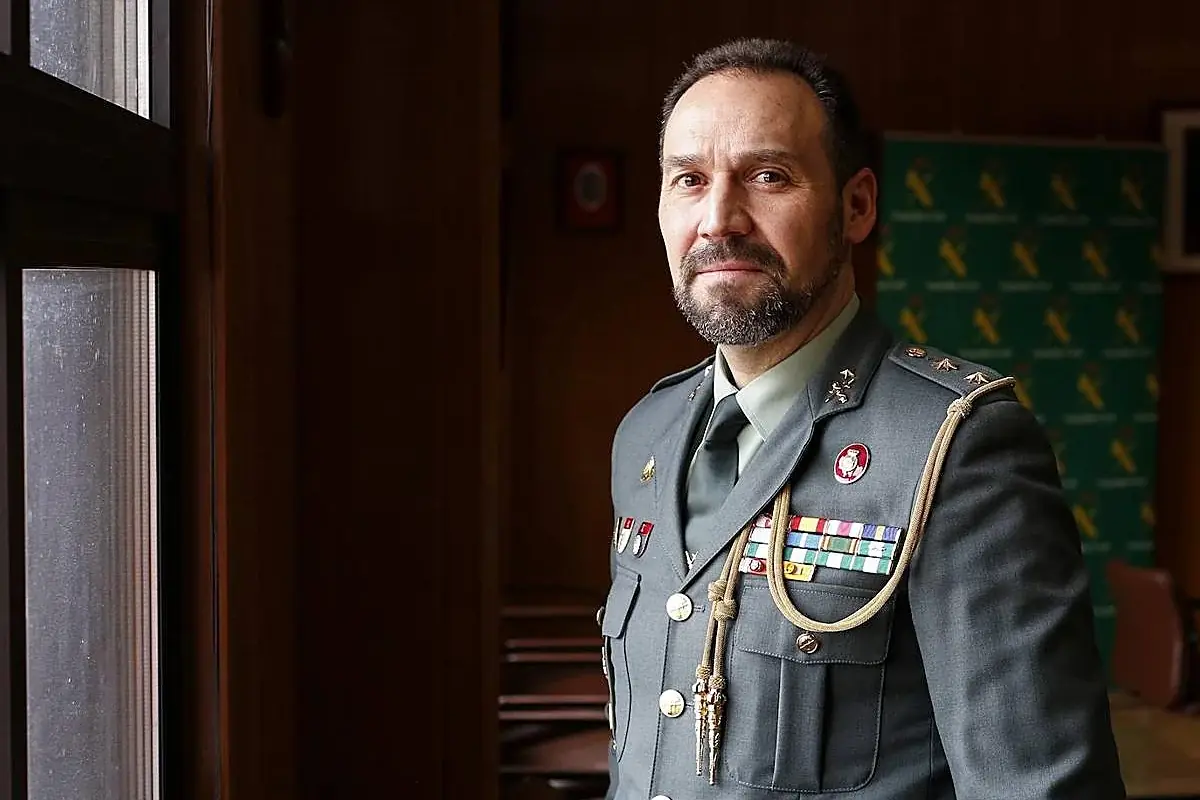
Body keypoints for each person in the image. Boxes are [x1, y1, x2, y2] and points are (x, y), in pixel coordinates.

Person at [599, 37, 1125, 799]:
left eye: (768, 175)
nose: (719, 219)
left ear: (855, 206)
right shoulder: (643, 435)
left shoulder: (955, 445)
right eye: (688, 180)